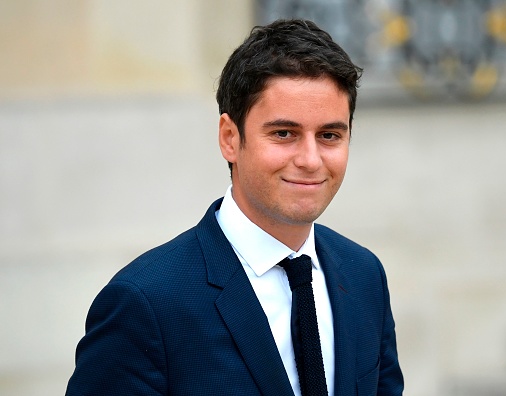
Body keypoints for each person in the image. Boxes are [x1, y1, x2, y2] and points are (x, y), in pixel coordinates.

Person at [66, 19, 404, 396]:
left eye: (329, 135)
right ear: (230, 138)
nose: (311, 159)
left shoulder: (364, 275)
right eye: (283, 134)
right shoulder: (146, 303)